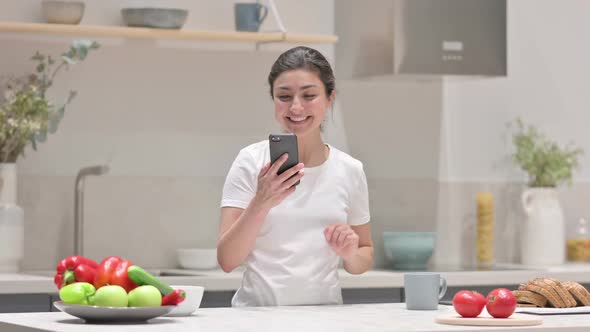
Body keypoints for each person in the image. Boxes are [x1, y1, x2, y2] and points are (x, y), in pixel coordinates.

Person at [217, 46, 373, 307]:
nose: (296, 107)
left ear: (330, 98)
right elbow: (227, 261)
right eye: (284, 96)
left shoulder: (350, 170)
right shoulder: (250, 161)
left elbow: (363, 255)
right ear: (273, 99)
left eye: (309, 95)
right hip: (256, 319)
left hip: (325, 320)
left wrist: (350, 254)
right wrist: (261, 201)